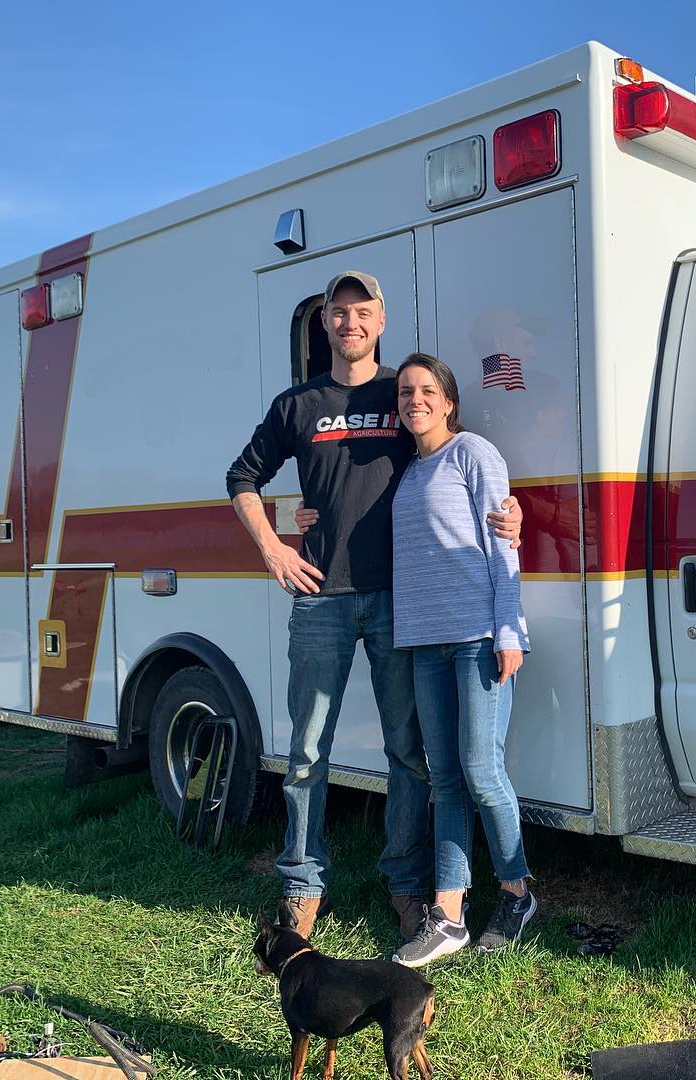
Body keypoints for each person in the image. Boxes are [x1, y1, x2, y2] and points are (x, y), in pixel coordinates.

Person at [225, 272, 522, 945]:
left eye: (362, 311)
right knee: (305, 754)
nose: (349, 322)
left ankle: (407, 885)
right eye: (339, 311)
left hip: (400, 605)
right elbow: (241, 479)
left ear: (381, 320)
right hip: (320, 600)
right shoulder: (296, 405)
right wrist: (273, 545)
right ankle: (302, 883)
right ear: (324, 322)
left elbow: (450, 462)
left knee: (408, 755)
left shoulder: (402, 396)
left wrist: (509, 514)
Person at [384, 352, 535, 968]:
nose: (413, 401)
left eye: (425, 391)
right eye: (403, 393)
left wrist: (508, 630)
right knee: (443, 778)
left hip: (477, 636)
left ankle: (518, 890)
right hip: (424, 642)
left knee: (481, 770)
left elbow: (503, 546)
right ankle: (448, 916)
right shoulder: (408, 472)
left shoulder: (473, 453)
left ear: (448, 400)